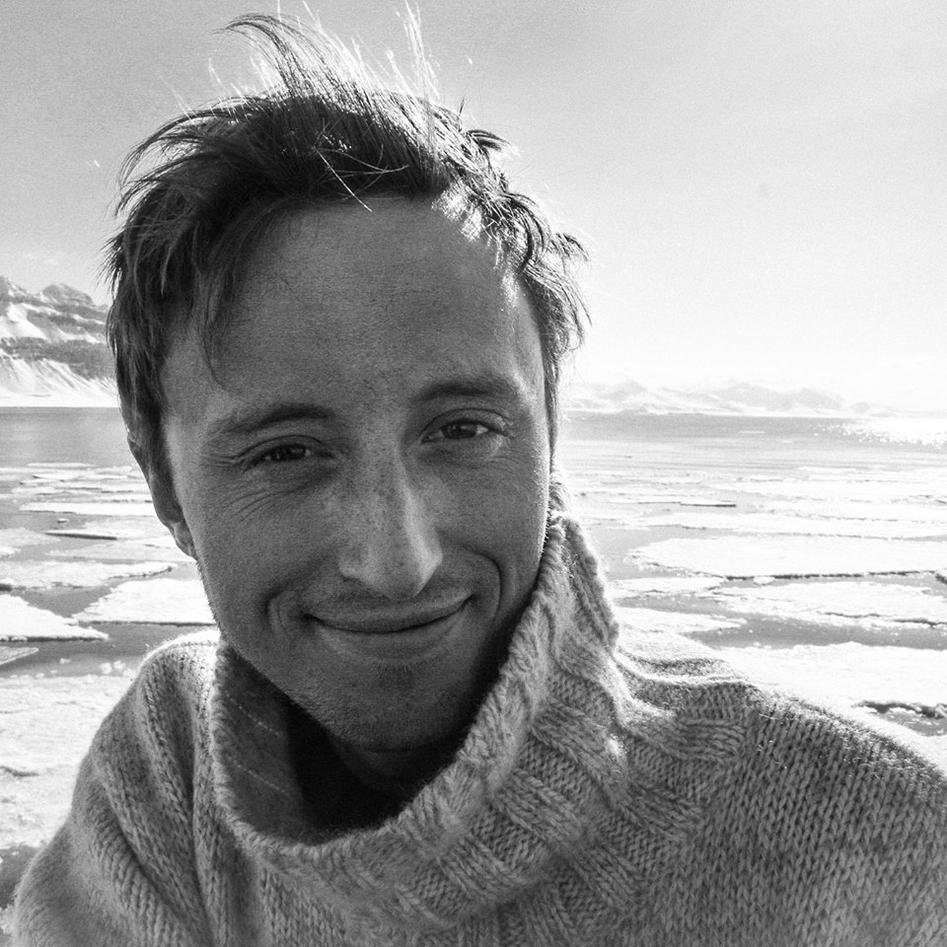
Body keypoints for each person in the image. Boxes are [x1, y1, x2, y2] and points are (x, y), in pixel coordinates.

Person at [12, 14, 947, 947]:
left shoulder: (891, 847)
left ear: (551, 436)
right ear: (164, 485)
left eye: (463, 430)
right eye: (287, 452)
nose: (397, 562)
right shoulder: (166, 782)